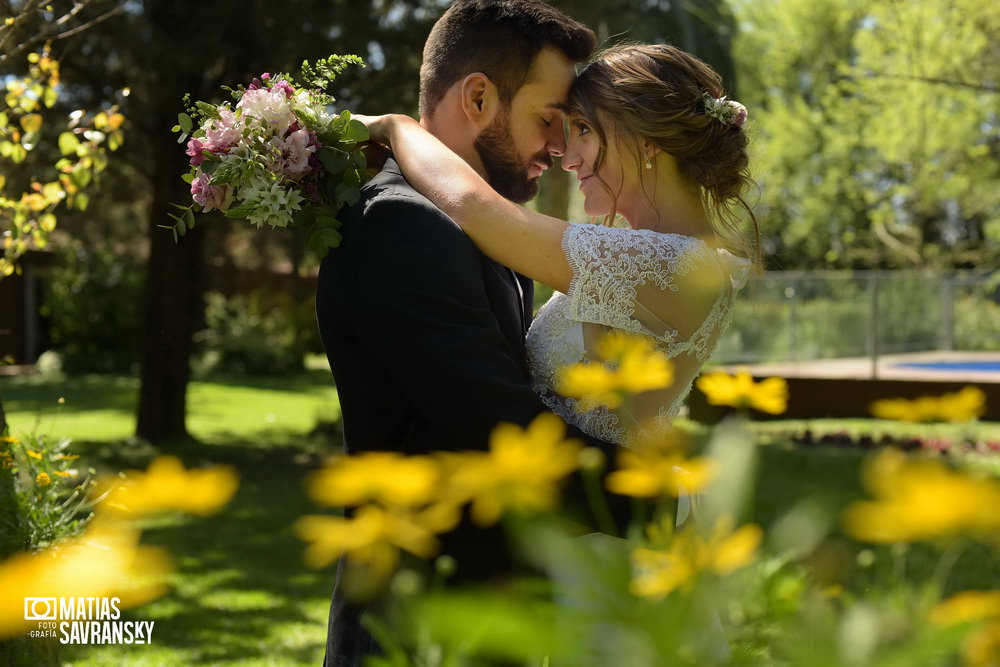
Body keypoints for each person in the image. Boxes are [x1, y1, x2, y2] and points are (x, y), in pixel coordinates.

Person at [314, 1, 605, 665]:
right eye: (548, 121)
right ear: (478, 97)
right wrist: (659, 495)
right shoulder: (401, 226)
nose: (560, 150)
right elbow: (499, 429)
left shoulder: (478, 225)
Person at [360, 42, 759, 447]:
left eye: (583, 129)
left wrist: (397, 127)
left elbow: (474, 208)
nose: (566, 159)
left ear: (645, 138)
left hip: (580, 499)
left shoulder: (676, 266)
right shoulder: (655, 255)